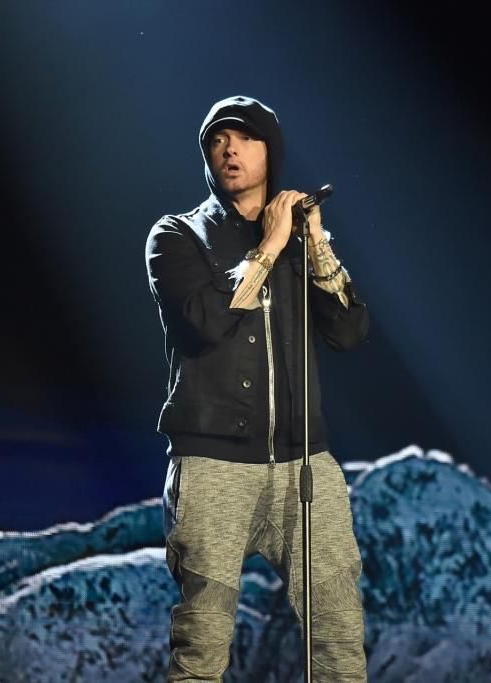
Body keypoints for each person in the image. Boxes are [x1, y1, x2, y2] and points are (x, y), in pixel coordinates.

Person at [145, 95, 369, 682]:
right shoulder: (176, 235)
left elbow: (349, 331)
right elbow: (204, 321)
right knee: (202, 647)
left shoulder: (299, 242)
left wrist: (314, 242)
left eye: (245, 138)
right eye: (217, 140)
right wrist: (268, 247)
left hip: (304, 463)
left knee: (340, 640)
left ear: (272, 152)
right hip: (212, 465)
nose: (230, 150)